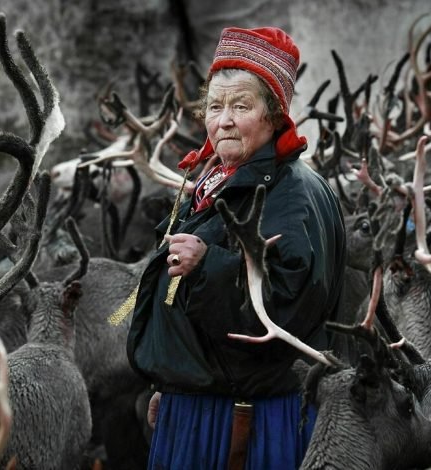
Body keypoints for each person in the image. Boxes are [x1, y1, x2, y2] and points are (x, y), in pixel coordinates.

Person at [126, 26, 347, 469]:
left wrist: (206, 265)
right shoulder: (216, 181)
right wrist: (171, 381)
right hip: (201, 403)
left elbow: (287, 308)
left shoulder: (290, 194)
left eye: (241, 106)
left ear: (275, 116)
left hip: (247, 420)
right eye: (215, 106)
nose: (223, 120)